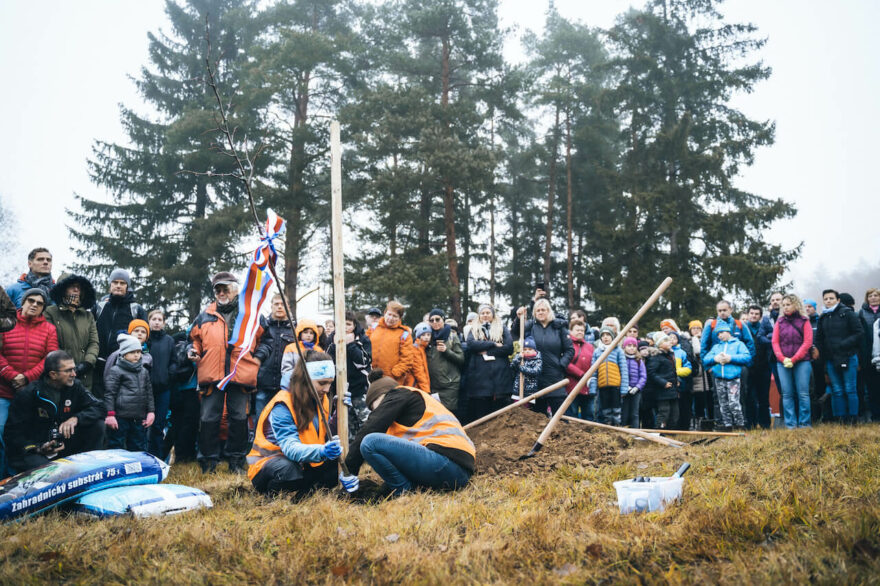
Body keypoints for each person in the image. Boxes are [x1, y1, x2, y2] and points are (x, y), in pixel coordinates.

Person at [343, 369, 475, 496]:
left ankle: (403, 491)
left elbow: (369, 428)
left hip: (447, 463)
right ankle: (403, 490)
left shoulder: (399, 394)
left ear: (384, 396)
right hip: (458, 470)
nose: (375, 412)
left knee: (370, 442)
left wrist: (348, 471)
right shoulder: (414, 403)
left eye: (374, 407)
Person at [189, 271, 268, 474]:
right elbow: (194, 340)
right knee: (208, 418)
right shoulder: (204, 315)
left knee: (239, 419)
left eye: (225, 289)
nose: (222, 293)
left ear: (235, 290)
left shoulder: (250, 314)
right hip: (211, 373)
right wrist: (193, 351)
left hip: (240, 373)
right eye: (218, 290)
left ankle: (236, 462)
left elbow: (266, 340)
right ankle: (208, 462)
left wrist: (257, 358)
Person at [247, 352, 346, 494]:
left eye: (330, 383)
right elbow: (290, 448)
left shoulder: (321, 398)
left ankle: (307, 491)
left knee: (338, 465)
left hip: (303, 462)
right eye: (322, 383)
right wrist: (322, 451)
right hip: (268, 465)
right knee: (288, 470)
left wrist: (340, 414)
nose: (327, 389)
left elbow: (324, 434)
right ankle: (275, 495)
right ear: (305, 379)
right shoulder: (282, 405)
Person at [4, 350, 105, 473]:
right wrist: (39, 448)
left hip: (63, 445)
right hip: (35, 451)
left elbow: (100, 407)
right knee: (52, 472)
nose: (74, 374)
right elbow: (13, 435)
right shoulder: (29, 395)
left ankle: (90, 468)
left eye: (74, 369)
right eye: (68, 370)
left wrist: (76, 418)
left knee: (97, 425)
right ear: (53, 374)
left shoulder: (75, 386)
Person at [0, 289, 58, 440]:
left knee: (25, 436)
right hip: (3, 391)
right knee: (1, 431)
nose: (34, 305)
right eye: (31, 301)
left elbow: (50, 358)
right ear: (23, 302)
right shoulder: (5, 324)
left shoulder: (49, 329)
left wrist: (26, 378)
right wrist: (11, 375)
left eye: (39, 303)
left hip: (31, 392)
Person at [92, 268, 148, 398]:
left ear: (127, 287)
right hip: (98, 365)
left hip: (123, 365)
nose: (118, 285)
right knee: (99, 404)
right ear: (110, 285)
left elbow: (145, 336)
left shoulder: (136, 309)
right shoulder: (99, 307)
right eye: (115, 282)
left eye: (122, 283)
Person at [44, 274, 99, 391]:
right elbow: (49, 342)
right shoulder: (50, 313)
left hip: (85, 376)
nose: (76, 290)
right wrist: (66, 367)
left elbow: (94, 343)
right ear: (62, 289)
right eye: (72, 286)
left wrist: (87, 363)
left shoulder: (88, 316)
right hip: (60, 376)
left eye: (79, 287)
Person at [518, 299, 574, 416]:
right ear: (534, 313)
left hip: (554, 376)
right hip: (535, 377)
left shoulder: (559, 328)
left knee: (560, 415)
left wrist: (561, 365)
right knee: (538, 416)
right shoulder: (531, 327)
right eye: (538, 310)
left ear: (549, 311)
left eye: (543, 310)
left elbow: (570, 350)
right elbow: (516, 331)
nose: (541, 312)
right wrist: (519, 318)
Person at [814, 289, 862, 424]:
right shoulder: (823, 317)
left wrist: (843, 344)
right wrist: (818, 350)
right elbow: (819, 338)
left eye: (831, 298)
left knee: (850, 389)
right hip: (831, 359)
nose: (828, 301)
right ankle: (840, 419)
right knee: (837, 390)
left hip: (848, 356)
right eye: (826, 299)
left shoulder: (848, 313)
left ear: (838, 300)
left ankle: (853, 418)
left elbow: (859, 333)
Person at [464, 304, 514, 421]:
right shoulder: (474, 329)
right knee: (482, 412)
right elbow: (471, 344)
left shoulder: (502, 328)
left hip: (500, 378)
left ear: (493, 315)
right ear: (479, 315)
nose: (485, 315)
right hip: (480, 380)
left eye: (488, 313)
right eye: (482, 313)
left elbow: (508, 348)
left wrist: (487, 352)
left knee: (499, 413)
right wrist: (493, 344)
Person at [104, 334, 155, 451]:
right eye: (132, 352)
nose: (137, 355)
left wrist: (151, 412)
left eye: (138, 351)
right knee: (116, 446)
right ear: (124, 353)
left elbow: (149, 393)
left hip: (138, 417)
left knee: (138, 447)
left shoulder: (144, 371)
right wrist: (110, 414)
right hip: (120, 417)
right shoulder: (116, 370)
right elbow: (109, 393)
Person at [327, 311, 372, 438]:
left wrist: (351, 344)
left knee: (366, 424)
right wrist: (335, 345)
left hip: (360, 390)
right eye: (341, 324)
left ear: (354, 325)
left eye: (348, 324)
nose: (344, 328)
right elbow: (327, 359)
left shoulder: (362, 339)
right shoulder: (332, 338)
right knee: (347, 428)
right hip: (340, 391)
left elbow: (364, 362)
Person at [772, 295, 813, 428]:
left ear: (796, 305)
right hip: (783, 363)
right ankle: (790, 425)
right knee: (787, 394)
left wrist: (794, 359)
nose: (785, 307)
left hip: (802, 362)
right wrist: (782, 358)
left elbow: (807, 343)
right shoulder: (779, 322)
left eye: (788, 304)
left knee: (803, 394)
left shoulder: (804, 321)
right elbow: (775, 342)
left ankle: (805, 424)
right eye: (783, 305)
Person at [254, 295, 295, 421]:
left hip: (286, 385)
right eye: (276, 304)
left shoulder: (295, 329)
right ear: (271, 306)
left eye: (282, 304)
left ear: (288, 307)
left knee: (283, 422)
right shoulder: (261, 328)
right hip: (263, 383)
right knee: (261, 420)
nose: (279, 307)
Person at [703, 323, 751, 431]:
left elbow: (747, 357)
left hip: (733, 378)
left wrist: (731, 358)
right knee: (723, 403)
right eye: (718, 334)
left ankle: (740, 425)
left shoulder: (739, 344)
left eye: (722, 332)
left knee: (734, 403)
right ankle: (727, 426)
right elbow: (706, 359)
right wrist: (715, 359)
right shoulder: (716, 347)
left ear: (728, 332)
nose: (720, 335)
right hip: (719, 378)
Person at [145, 310, 176, 457]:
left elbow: (174, 361)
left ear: (163, 323)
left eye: (160, 320)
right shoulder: (144, 339)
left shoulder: (169, 340)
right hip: (145, 390)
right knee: (144, 425)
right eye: (154, 319)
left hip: (163, 389)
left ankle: (157, 457)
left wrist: (169, 376)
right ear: (149, 321)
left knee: (158, 425)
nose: (157, 322)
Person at [424, 309, 464, 412]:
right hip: (432, 386)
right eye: (431, 320)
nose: (434, 322)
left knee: (449, 416)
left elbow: (461, 359)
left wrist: (446, 351)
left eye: (437, 319)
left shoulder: (452, 336)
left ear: (443, 320)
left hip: (449, 386)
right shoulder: (427, 337)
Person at [367, 301, 415, 386]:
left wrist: (395, 373)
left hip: (390, 380)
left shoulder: (404, 334)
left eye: (395, 316)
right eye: (389, 314)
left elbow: (407, 359)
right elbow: (363, 347)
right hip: (370, 376)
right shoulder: (373, 329)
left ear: (400, 318)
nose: (391, 318)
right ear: (385, 313)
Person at [589, 326, 629, 426]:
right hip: (602, 386)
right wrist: (592, 388)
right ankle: (608, 426)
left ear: (612, 337)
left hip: (615, 385)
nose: (605, 337)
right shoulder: (597, 352)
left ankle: (617, 425)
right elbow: (593, 372)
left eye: (608, 335)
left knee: (616, 408)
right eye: (603, 335)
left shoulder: (618, 351)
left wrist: (624, 388)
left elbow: (624, 370)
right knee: (605, 409)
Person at [743, 305, 772, 429]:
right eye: (751, 313)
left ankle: (765, 423)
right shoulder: (744, 329)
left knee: (763, 397)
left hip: (764, 367)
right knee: (749, 397)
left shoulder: (764, 329)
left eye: (756, 314)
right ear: (748, 314)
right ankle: (751, 423)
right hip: (749, 368)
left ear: (760, 316)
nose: (754, 316)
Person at [645, 332, 680, 429]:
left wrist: (677, 380)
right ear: (659, 344)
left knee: (675, 413)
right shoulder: (656, 357)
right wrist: (663, 383)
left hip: (672, 389)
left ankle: (671, 433)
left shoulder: (669, 355)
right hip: (662, 390)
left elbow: (672, 370)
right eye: (666, 340)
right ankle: (659, 432)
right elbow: (651, 373)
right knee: (664, 413)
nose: (670, 342)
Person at [564, 320, 594, 420]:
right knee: (572, 415)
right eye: (577, 330)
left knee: (589, 415)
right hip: (572, 387)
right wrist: (581, 374)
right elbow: (566, 363)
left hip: (587, 388)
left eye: (582, 330)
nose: (580, 332)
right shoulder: (567, 345)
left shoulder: (590, 347)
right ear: (571, 331)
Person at [858, 288, 880, 421]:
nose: (873, 297)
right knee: (872, 387)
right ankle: (875, 415)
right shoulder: (861, 313)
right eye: (870, 295)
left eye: (876, 295)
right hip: (868, 355)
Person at [687, 320, 714, 427]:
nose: (696, 330)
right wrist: (695, 339)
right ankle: (697, 420)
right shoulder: (689, 340)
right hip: (696, 372)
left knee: (707, 397)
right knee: (697, 398)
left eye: (698, 328)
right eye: (694, 328)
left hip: (705, 372)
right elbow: (697, 351)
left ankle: (708, 419)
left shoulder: (706, 339)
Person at [621, 337, 646, 428]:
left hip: (636, 391)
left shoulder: (639, 360)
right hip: (624, 389)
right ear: (624, 347)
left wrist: (637, 387)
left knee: (635, 413)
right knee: (624, 412)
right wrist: (625, 386)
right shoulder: (622, 359)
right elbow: (619, 374)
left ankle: (636, 432)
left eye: (634, 346)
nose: (632, 348)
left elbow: (643, 376)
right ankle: (623, 430)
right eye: (629, 346)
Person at [405, 322, 432, 393]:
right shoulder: (415, 349)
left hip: (418, 387)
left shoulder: (423, 348)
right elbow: (419, 372)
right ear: (418, 336)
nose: (426, 337)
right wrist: (426, 391)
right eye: (423, 335)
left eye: (428, 335)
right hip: (415, 387)